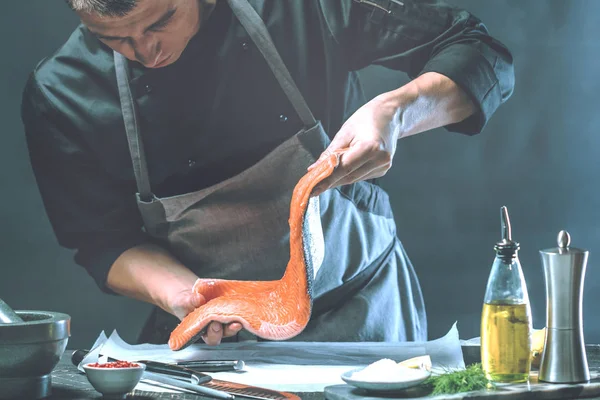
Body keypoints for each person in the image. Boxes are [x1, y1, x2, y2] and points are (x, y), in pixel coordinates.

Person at [21, 0, 514, 346]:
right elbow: (102, 242)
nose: (147, 52)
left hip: (366, 313)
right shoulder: (61, 91)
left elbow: (478, 50)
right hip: (216, 343)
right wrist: (188, 297)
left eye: (161, 20)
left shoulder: (301, 6)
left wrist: (396, 111)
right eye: (113, 38)